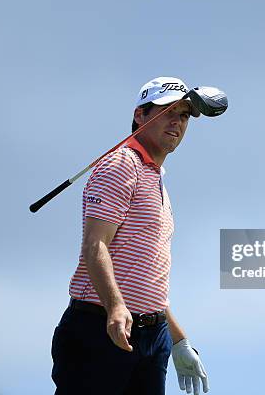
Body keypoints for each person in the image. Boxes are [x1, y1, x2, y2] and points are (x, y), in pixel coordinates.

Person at [51, 77, 209, 395]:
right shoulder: (122, 166)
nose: (177, 122)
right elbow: (95, 245)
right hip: (100, 329)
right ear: (140, 115)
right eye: (168, 111)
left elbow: (143, 278)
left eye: (184, 115)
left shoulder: (155, 176)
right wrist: (115, 307)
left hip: (152, 338)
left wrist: (178, 340)